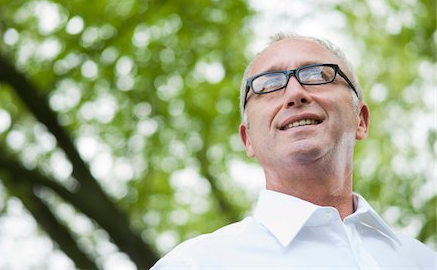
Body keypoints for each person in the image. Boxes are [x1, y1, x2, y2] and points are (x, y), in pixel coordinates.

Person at [151, 33, 436, 269]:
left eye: (317, 75)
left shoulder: (423, 260)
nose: (294, 93)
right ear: (247, 138)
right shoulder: (194, 264)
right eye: (268, 84)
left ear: (360, 120)